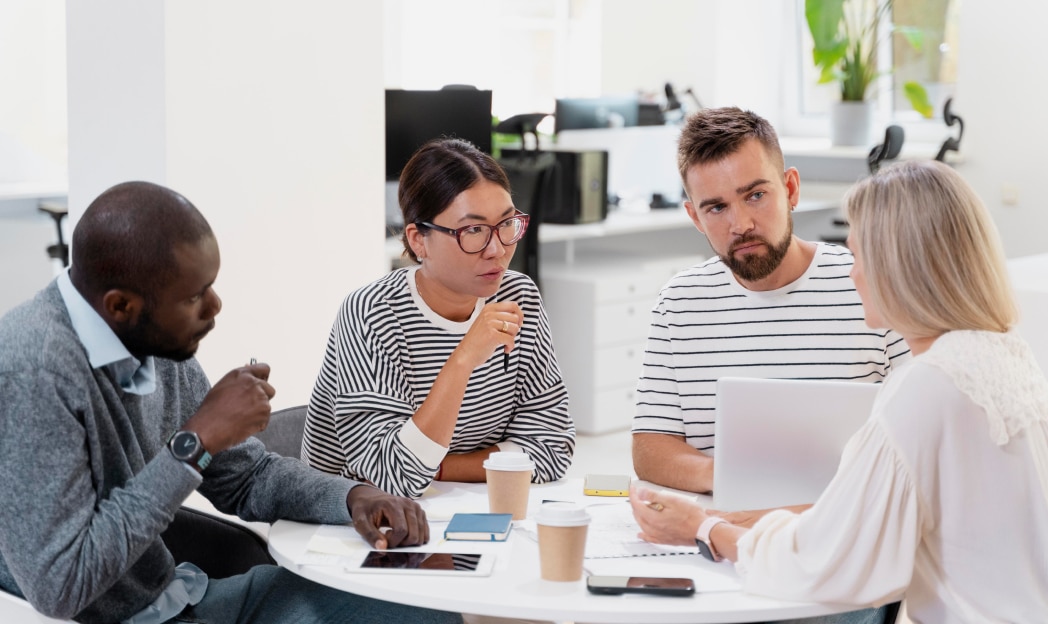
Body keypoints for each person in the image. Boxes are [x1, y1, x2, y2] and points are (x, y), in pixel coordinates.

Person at [0, 181, 461, 624]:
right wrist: (196, 440)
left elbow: (245, 477)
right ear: (121, 306)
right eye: (195, 296)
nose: (215, 306)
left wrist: (353, 496)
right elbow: (60, 585)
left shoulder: (151, 340)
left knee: (420, 608)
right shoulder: (33, 370)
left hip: (186, 597)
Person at [631, 159, 1048, 622]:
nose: (853, 274)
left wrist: (703, 528)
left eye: (860, 255)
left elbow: (827, 562)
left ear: (900, 266)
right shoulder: (1007, 355)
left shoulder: (926, 387)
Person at [632, 107, 910, 495]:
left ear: (791, 189)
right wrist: (738, 479)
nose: (741, 224)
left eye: (756, 195)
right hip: (717, 530)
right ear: (695, 218)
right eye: (717, 207)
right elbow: (651, 448)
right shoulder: (679, 301)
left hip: (843, 524)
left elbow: (922, 433)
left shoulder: (872, 285)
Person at [302, 138, 574, 499]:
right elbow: (394, 476)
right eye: (473, 231)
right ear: (419, 241)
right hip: (352, 523)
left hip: (457, 508)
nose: (497, 249)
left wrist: (442, 468)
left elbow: (553, 446)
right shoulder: (372, 312)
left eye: (507, 224)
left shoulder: (517, 295)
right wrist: (464, 359)